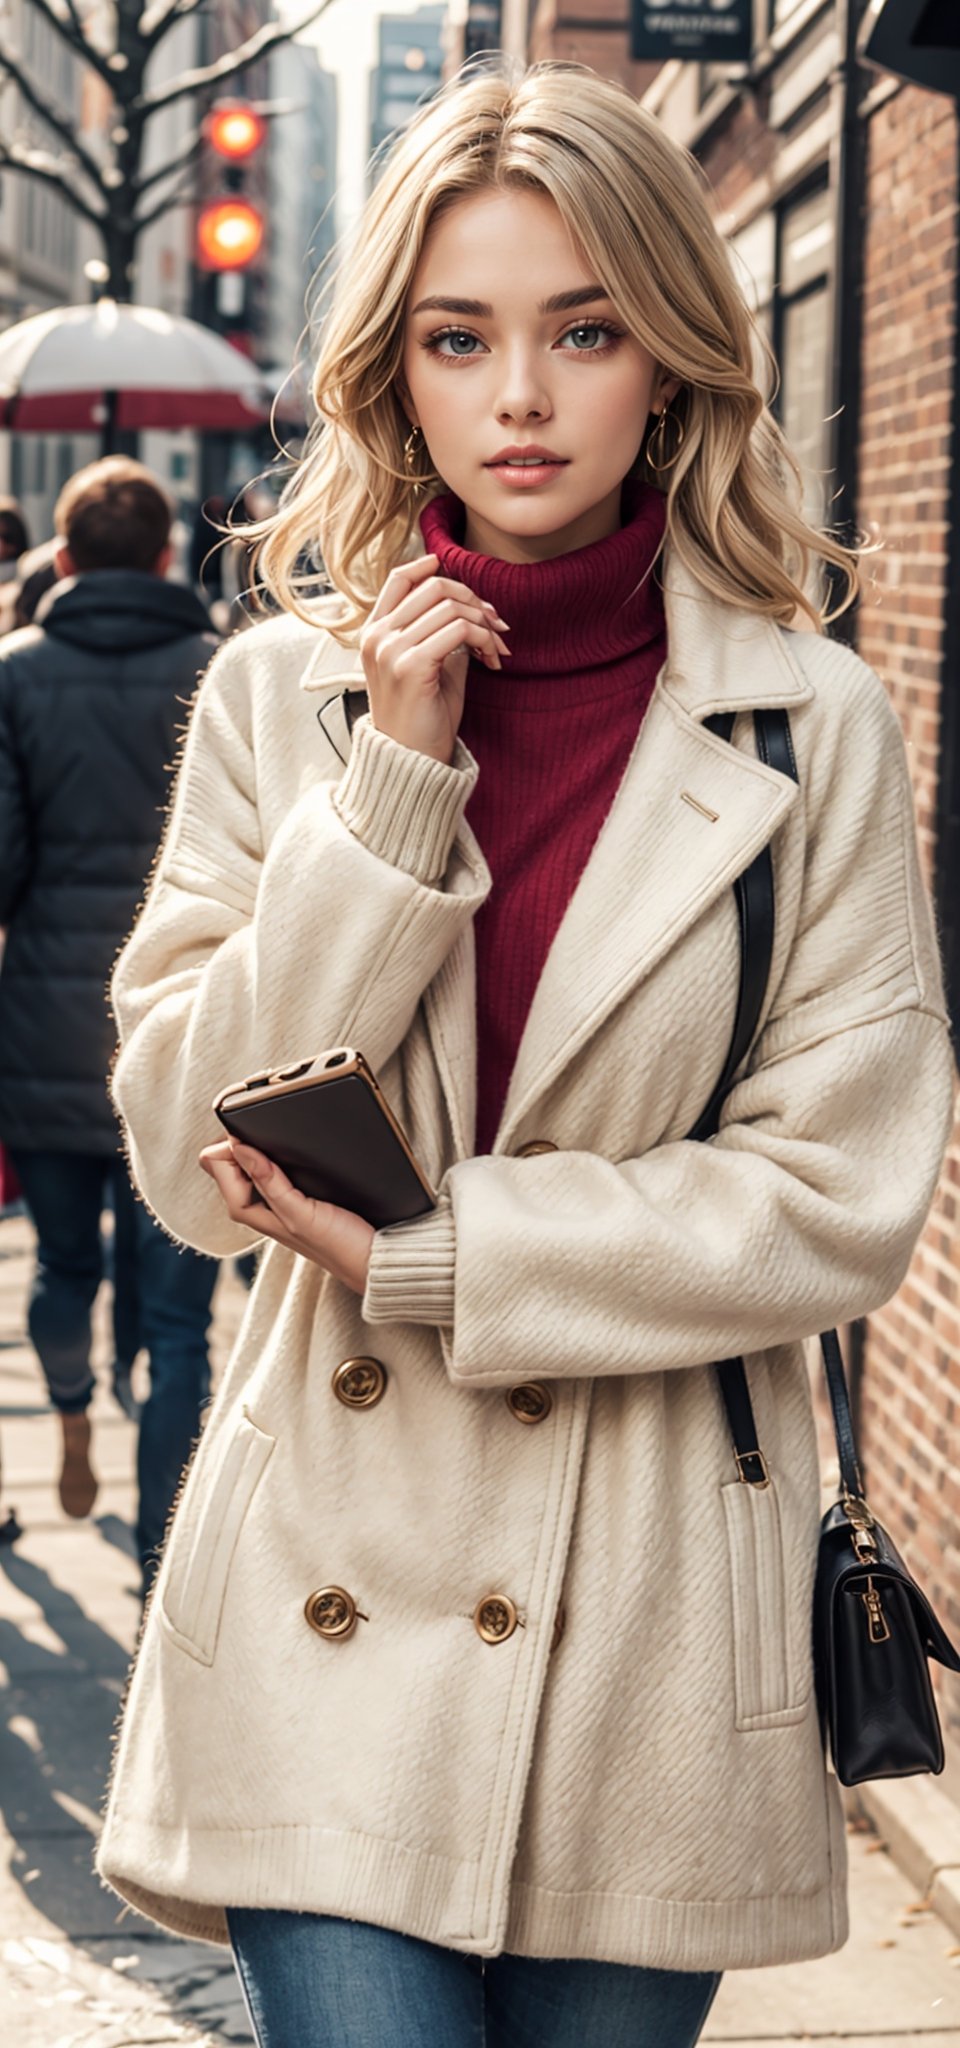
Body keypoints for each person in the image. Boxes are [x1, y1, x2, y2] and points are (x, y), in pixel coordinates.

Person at [95, 59, 954, 2048]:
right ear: (395, 369)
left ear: (669, 352)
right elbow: (175, 1142)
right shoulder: (278, 702)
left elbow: (837, 1197)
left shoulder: (806, 725)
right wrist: (393, 783)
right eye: (459, 337)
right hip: (329, 1576)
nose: (522, 397)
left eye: (583, 329)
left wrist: (437, 1254)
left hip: (651, 1609)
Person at [0, 456, 220, 1591]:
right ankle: (164, 1555)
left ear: (67, 558)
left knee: (59, 1267)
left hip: (44, 1026)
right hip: (184, 1035)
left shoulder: (15, 676)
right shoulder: (220, 671)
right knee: (180, 1320)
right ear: (170, 556)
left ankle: (74, 1404)